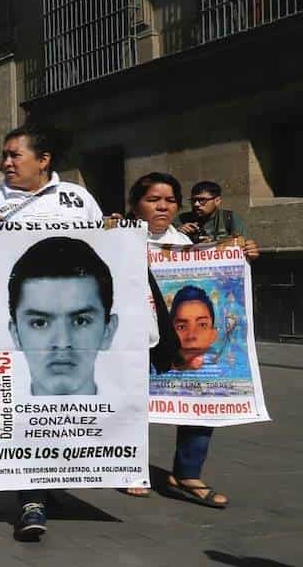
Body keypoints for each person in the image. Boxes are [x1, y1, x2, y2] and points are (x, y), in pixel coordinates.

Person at [0, 122, 101, 542]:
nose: (6, 163)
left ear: (43, 160)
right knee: (18, 401)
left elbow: (102, 248)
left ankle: (49, 481)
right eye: (5, 155)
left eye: (15, 155)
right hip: (5, 320)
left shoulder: (77, 199)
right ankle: (30, 497)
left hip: (67, 321)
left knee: (58, 400)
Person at [126, 172, 258, 507]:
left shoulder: (185, 246)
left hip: (174, 338)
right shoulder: (119, 238)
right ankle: (129, 467)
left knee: (200, 397)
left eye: (170, 200)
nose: (163, 207)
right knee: (131, 401)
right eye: (153, 200)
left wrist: (242, 254)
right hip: (133, 335)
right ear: (135, 204)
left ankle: (186, 473)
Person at [6, 237, 118, 396]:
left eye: (80, 321)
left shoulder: (126, 415)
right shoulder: (2, 419)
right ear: (15, 334)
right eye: (40, 323)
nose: (62, 343)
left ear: (108, 330)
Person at [177, 181, 248, 243]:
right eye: (193, 200)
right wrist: (177, 232)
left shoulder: (229, 218)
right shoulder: (182, 220)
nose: (196, 204)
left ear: (217, 201)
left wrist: (213, 244)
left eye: (202, 200)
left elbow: (241, 246)